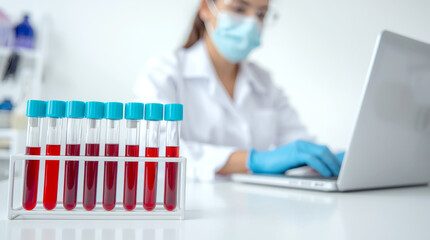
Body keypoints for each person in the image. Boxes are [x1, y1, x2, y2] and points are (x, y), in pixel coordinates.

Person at [135, 0, 344, 181]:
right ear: (206, 8)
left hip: (253, 208)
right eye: (239, 9)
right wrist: (253, 160)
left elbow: (300, 146)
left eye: (261, 14)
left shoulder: (263, 82)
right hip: (189, 204)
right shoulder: (165, 73)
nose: (252, 22)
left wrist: (337, 158)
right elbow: (156, 149)